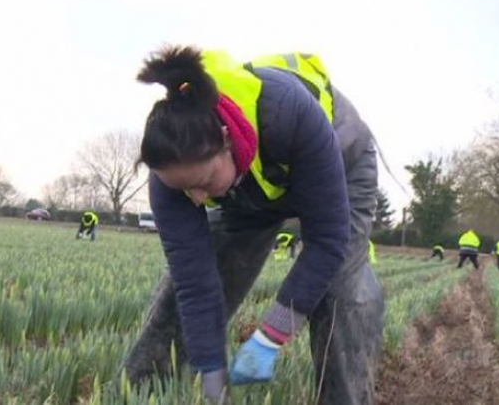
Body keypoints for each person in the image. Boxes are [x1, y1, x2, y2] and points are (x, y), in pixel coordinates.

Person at [123, 47, 383, 404]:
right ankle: (139, 395)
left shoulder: (287, 112)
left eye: (202, 182)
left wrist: (272, 334)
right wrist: (213, 378)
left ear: (227, 138)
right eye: (183, 189)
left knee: (338, 288)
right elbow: (195, 285)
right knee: (182, 294)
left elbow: (327, 241)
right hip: (247, 186)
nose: (197, 199)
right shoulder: (172, 179)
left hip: (340, 166)